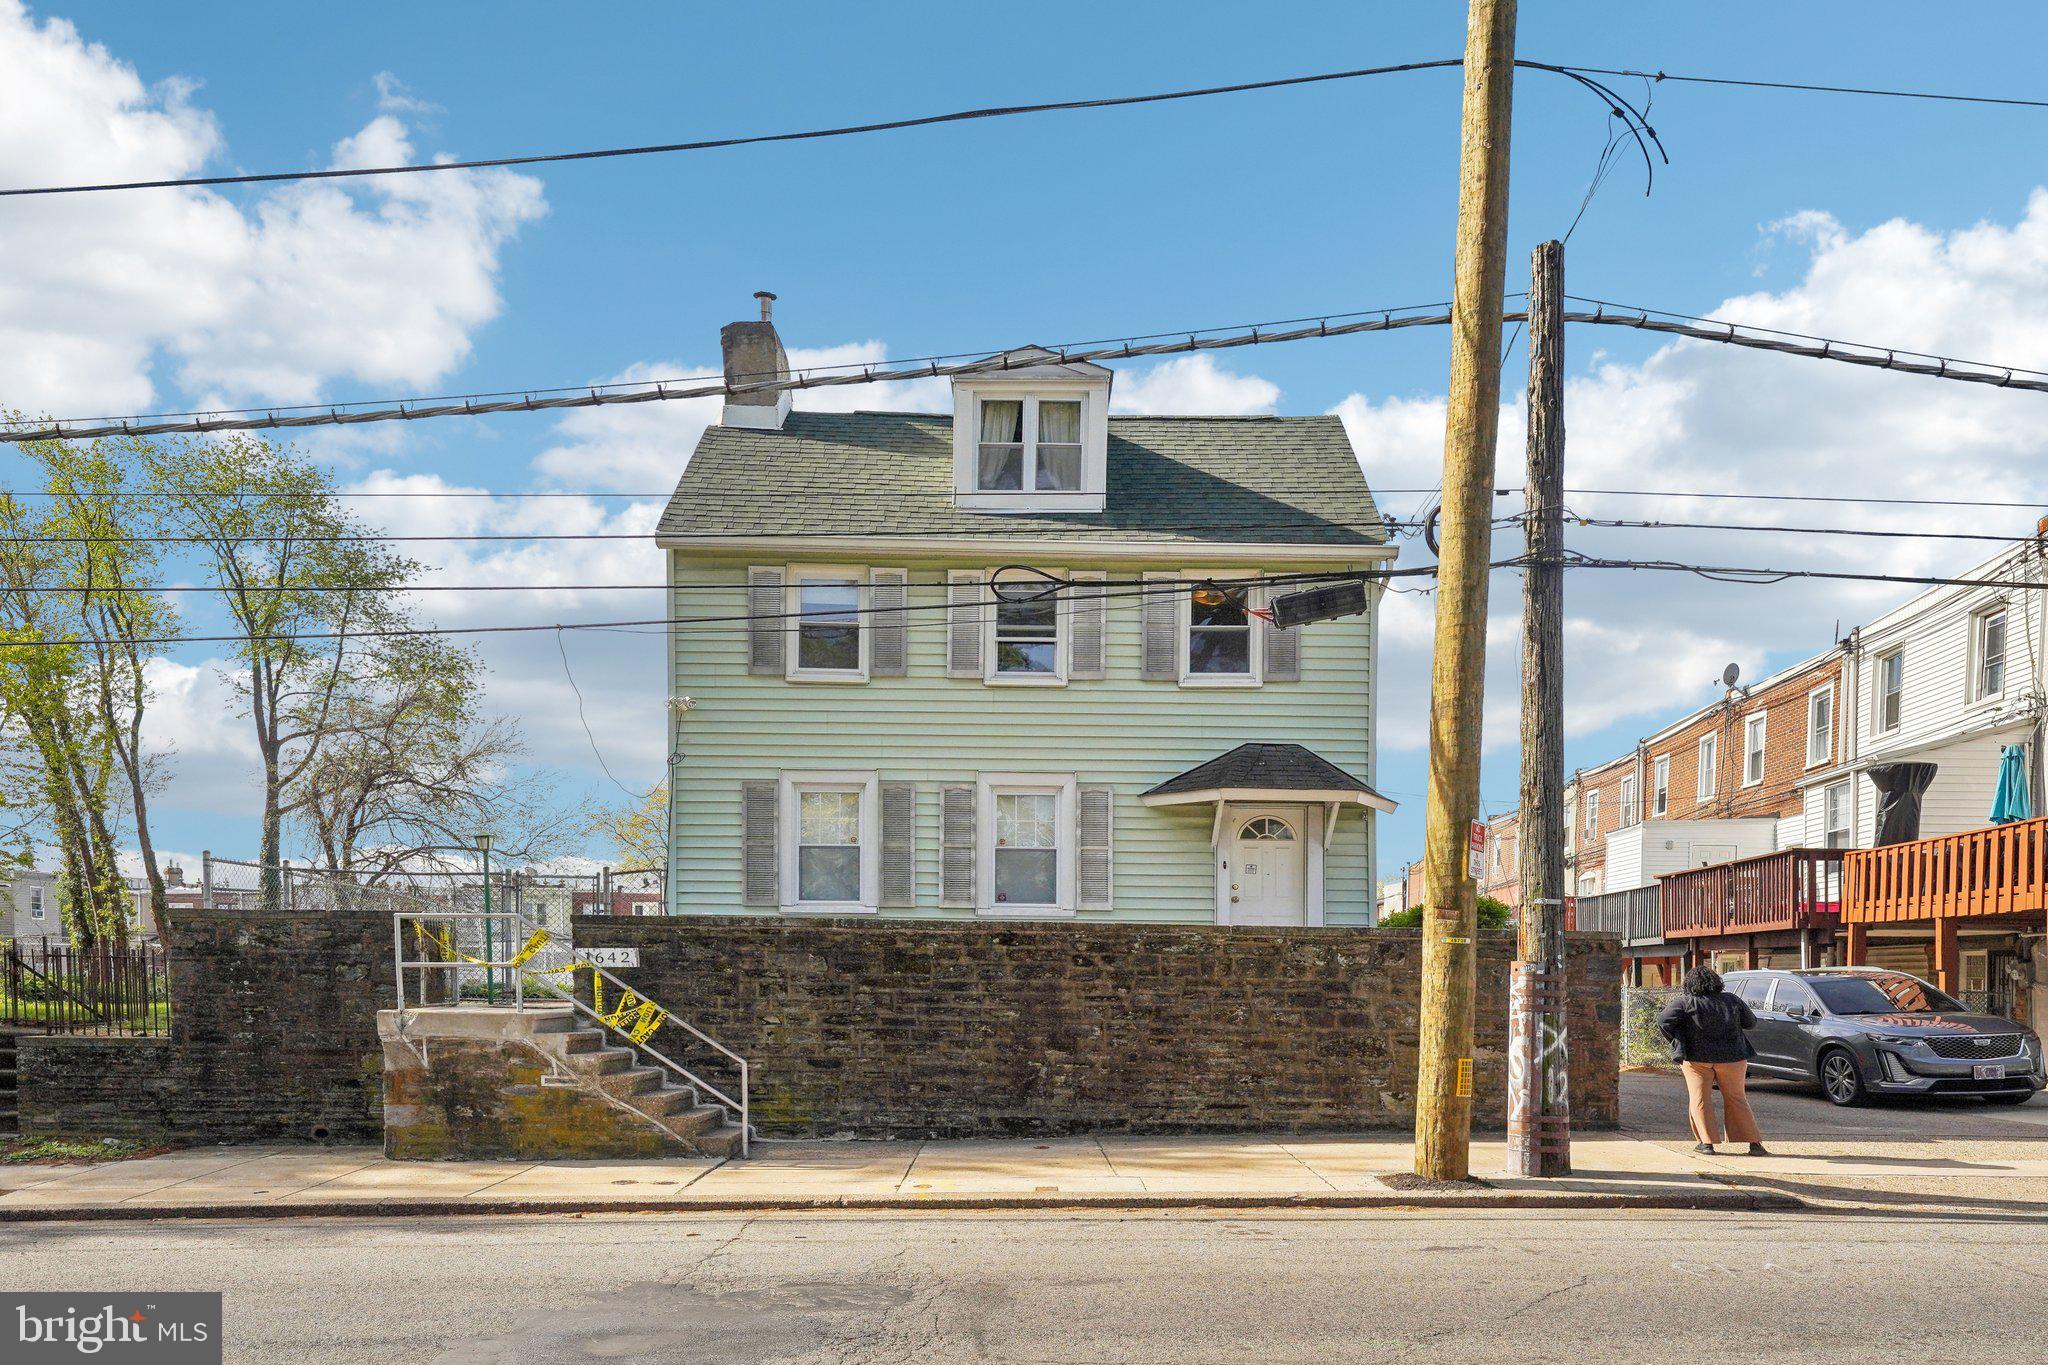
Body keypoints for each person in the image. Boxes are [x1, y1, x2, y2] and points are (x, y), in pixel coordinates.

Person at [1658, 965, 1768, 1155]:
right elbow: (1751, 1022)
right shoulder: (1731, 1000)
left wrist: (1678, 1039)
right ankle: (1754, 1143)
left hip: (1696, 1057)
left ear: (1689, 984)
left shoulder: (1685, 1002)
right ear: (1716, 982)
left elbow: (1663, 1020)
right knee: (1737, 1098)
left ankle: (1706, 1144)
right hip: (1733, 1056)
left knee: (1700, 1099)